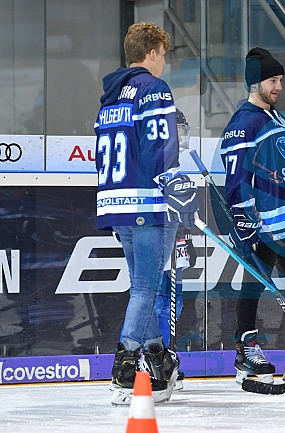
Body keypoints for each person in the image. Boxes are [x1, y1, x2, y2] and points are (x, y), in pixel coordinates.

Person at [95, 22, 199, 406]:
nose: (164, 63)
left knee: (144, 283)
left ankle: (157, 359)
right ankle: (125, 367)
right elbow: (159, 144)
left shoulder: (110, 97)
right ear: (153, 53)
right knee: (145, 287)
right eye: (164, 55)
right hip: (147, 202)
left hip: (116, 203)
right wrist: (173, 184)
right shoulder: (153, 88)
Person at [220, 47, 285, 384]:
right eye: (273, 80)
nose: (279, 86)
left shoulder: (274, 118)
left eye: (280, 80)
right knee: (253, 286)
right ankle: (245, 350)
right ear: (255, 83)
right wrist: (245, 219)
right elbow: (235, 179)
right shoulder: (243, 123)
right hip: (262, 224)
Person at [154, 108, 196, 391]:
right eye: (176, 129)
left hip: (175, 243)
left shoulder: (176, 165)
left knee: (174, 302)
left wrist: (186, 238)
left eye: (183, 129)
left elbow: (183, 212)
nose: (181, 134)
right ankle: (156, 359)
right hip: (156, 242)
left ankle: (166, 355)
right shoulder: (153, 163)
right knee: (157, 302)